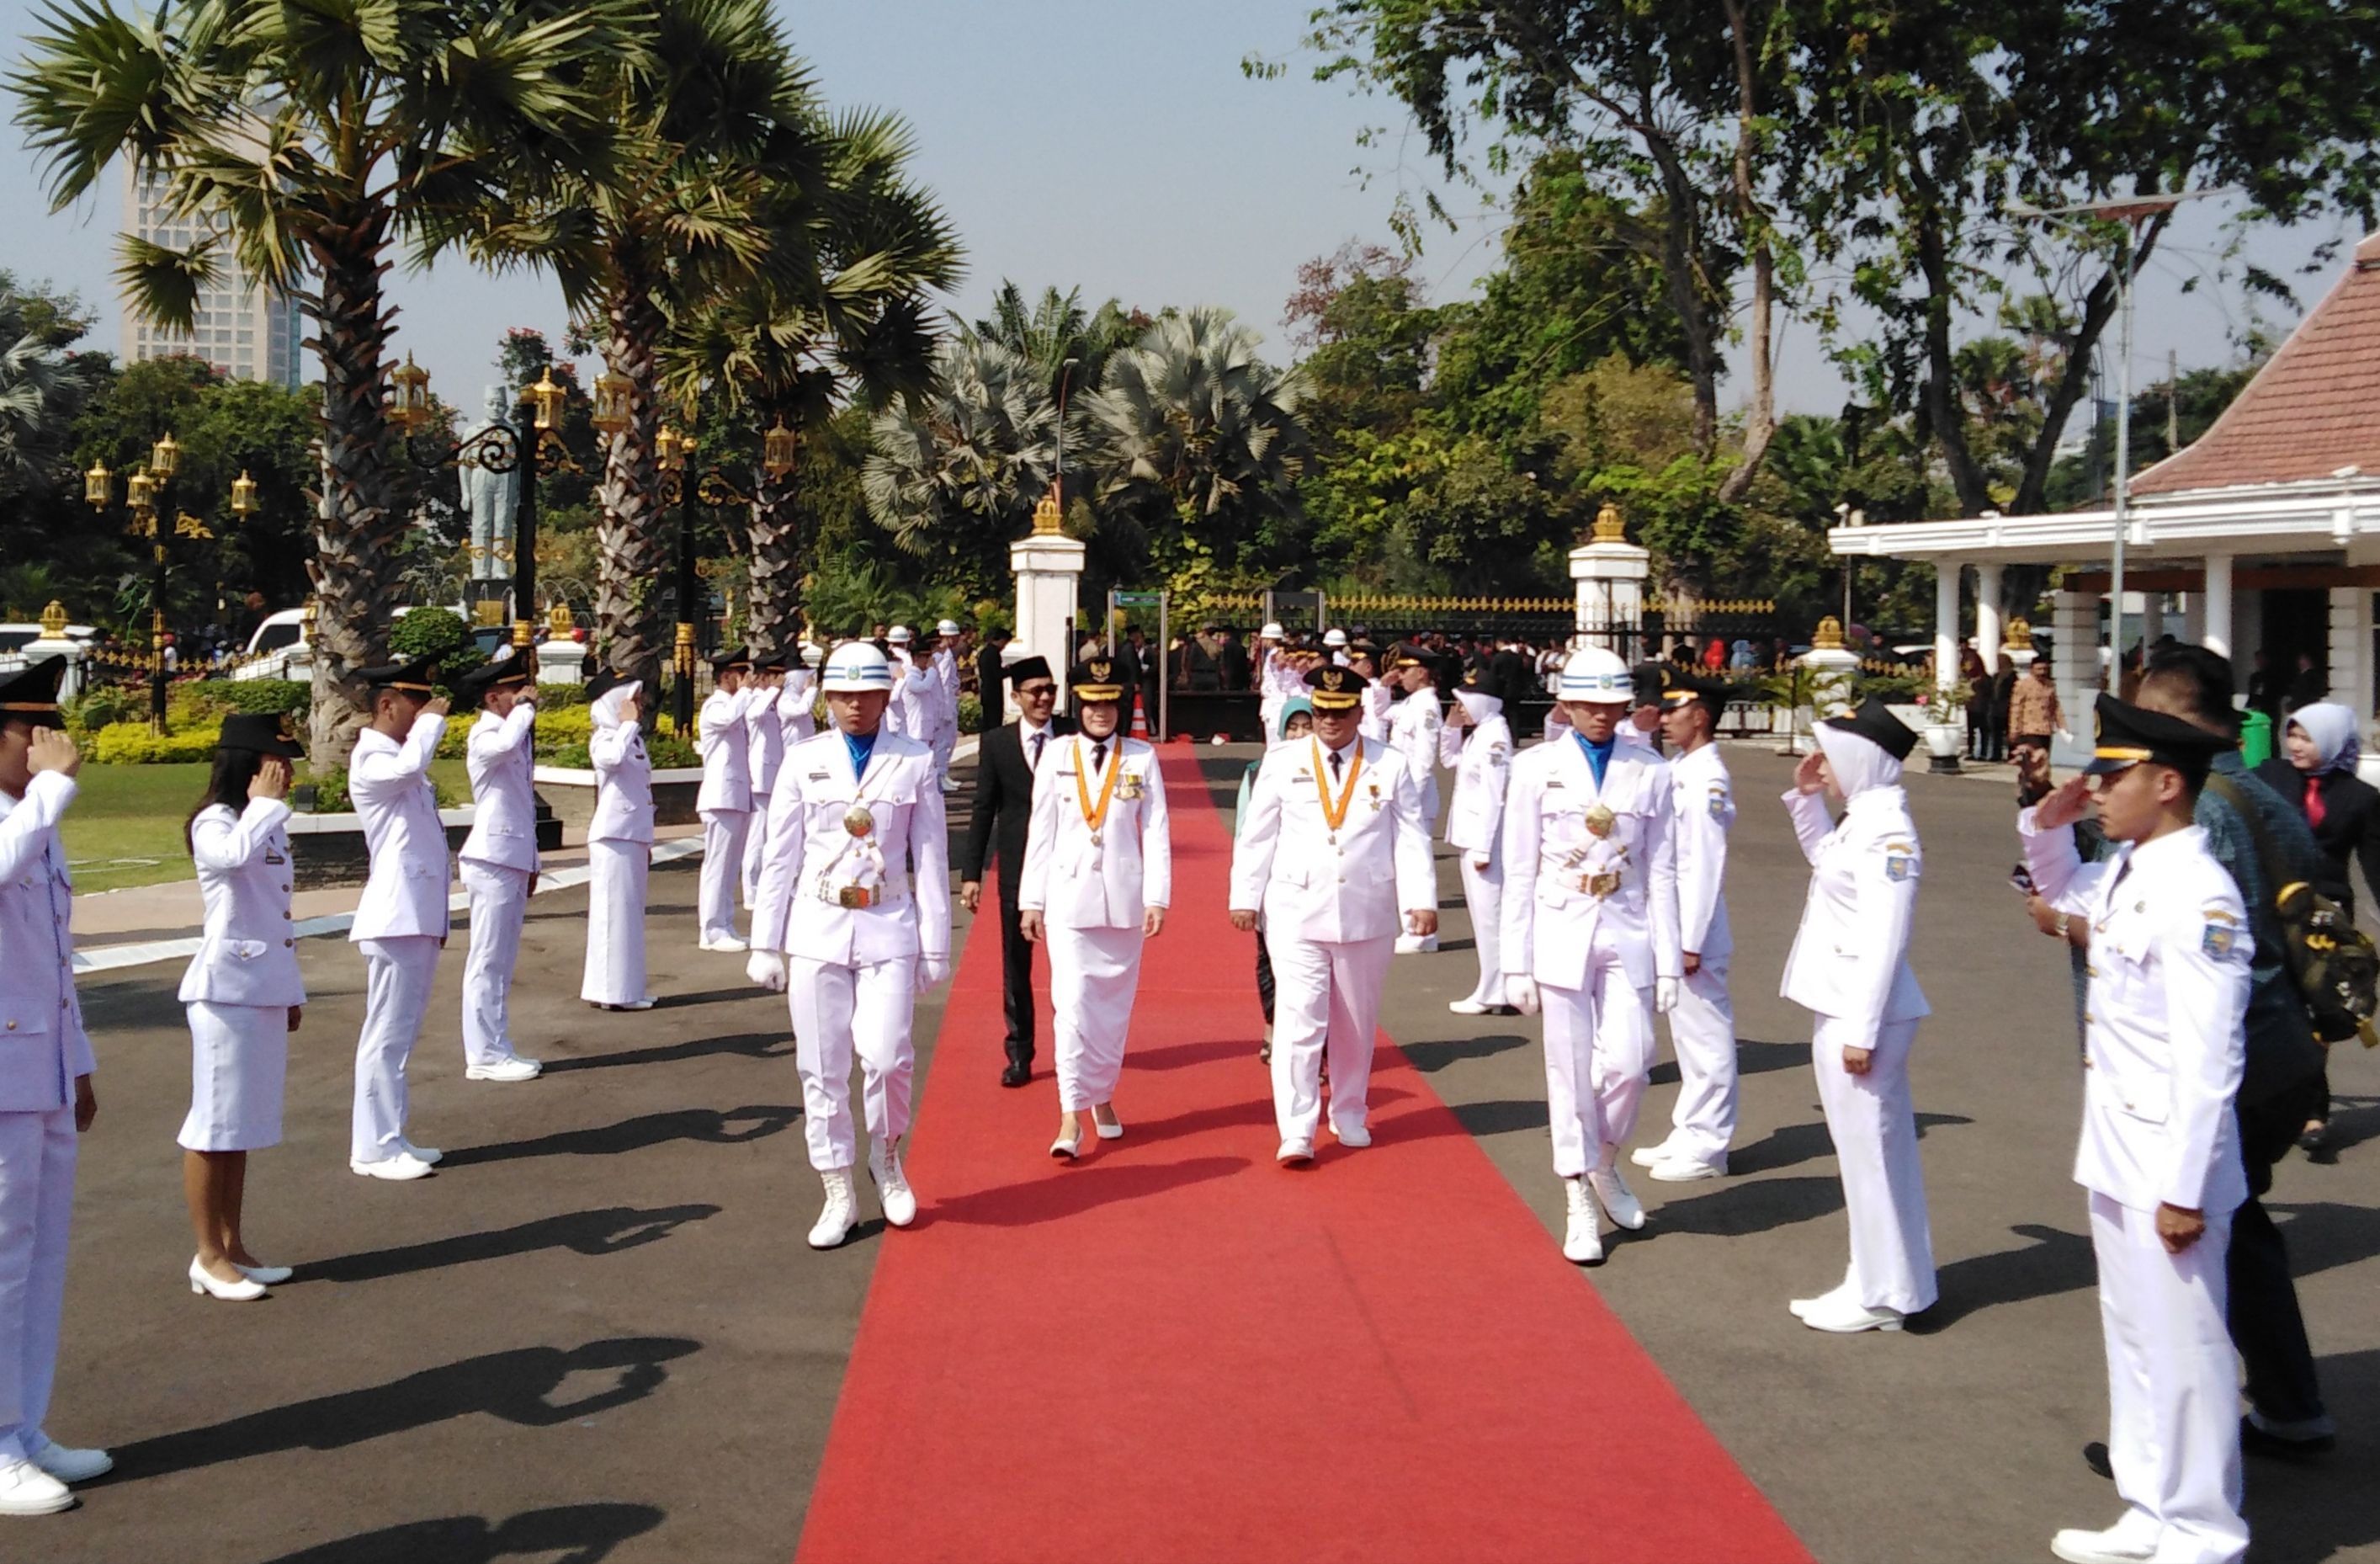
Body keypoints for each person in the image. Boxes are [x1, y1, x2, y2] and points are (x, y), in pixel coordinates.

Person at [2021, 695, 2251, 1564]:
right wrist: (2045, 822)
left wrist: (2183, 1187)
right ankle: (2148, 1506)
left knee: (2185, 1346)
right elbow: (2051, 898)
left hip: (2167, 1157)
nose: (2097, 791)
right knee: (2131, 1333)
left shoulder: (2197, 893)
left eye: (2110, 777)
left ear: (2164, 782)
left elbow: (2209, 1057)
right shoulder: (2126, 868)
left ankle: (2202, 1526)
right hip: (2116, 1140)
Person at [2133, 646, 2333, 1458]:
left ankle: (2184, 1445)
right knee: (2238, 1229)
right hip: (2287, 1051)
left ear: (2175, 719)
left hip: (2231, 1056)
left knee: (2187, 1245)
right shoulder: (2263, 791)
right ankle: (2288, 1405)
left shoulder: (2198, 806)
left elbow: (2156, 936)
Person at [746, 641, 952, 1249]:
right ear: (825, 699)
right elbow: (778, 855)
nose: (854, 707)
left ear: (885, 696)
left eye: (865, 695)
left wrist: (935, 945)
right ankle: (836, 1184)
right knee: (821, 1066)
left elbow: (932, 858)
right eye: (842, 695)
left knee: (889, 1057)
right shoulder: (802, 760)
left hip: (888, 922)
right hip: (817, 924)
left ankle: (886, 1158)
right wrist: (766, 941)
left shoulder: (912, 760)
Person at [1500, 647, 1682, 1266]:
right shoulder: (1534, 769)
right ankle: (1575, 1189)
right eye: (1588, 705)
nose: (1601, 716)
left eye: (1612, 706)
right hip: (1559, 929)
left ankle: (1604, 1162)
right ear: (1566, 704)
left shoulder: (1650, 768)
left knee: (1634, 1062)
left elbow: (1663, 870)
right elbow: (1518, 868)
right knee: (1569, 1071)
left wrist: (1667, 960)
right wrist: (1513, 964)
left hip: (1627, 930)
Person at [1230, 664, 1436, 1164]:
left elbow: (1411, 835)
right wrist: (1244, 896)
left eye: (1339, 713)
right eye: (1321, 711)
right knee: (1300, 1019)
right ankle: (1296, 1129)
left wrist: (1421, 899)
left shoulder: (1389, 763)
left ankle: (1348, 1112)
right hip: (1296, 908)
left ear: (1358, 712)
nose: (1328, 721)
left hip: (1365, 909)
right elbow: (1258, 834)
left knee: (1355, 1023)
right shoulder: (1283, 760)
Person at [1779, 696, 1936, 1331]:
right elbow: (1829, 866)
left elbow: (1886, 933)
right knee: (1867, 1152)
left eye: (1836, 758)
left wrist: (1863, 1029)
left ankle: (1881, 1294)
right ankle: (1887, 1282)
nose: (1826, 765)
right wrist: (1807, 801)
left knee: (1871, 1153)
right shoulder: (1864, 819)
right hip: (1844, 1003)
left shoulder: (1889, 831)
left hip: (1861, 1011)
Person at [0, 661, 109, 1513]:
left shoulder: (32, 821)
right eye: (26, 731)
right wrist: (47, 796)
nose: (44, 747)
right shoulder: (27, 819)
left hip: (37, 1067)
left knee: (38, 1258)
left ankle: (22, 1424)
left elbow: (54, 963)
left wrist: (76, 1062)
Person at [1019, 657, 1171, 1158]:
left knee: (1111, 1011)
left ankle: (1102, 1097)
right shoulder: (1058, 754)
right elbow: (1039, 833)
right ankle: (1069, 1116)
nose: (1100, 711)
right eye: (1092, 702)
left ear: (1120, 704)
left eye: (1109, 702)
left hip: (1123, 902)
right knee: (1072, 1005)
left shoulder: (1141, 757)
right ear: (1078, 703)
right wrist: (1032, 901)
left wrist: (1157, 896)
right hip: (1067, 900)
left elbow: (1156, 830)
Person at [178, 712, 308, 1301]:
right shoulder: (217, 821)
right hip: (223, 991)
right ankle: (206, 1255)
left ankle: (232, 1244)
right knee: (213, 1126)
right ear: (248, 765)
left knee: (243, 1125)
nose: (284, 775)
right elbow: (230, 860)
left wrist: (289, 990)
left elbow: (276, 914)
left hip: (260, 988)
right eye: (275, 762)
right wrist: (262, 808)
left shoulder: (266, 823)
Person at [2253, 700, 2380, 1160]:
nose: (2296, 746)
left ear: (2330, 740)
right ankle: (2285, 1101)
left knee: (2318, 1011)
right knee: (2274, 1005)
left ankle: (2313, 1111)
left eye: (2307, 737)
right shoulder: (2269, 777)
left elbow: (2374, 866)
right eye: (2292, 735)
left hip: (2325, 919)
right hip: (2271, 908)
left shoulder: (2361, 798)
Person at [346, 656, 451, 1183]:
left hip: (415, 914)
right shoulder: (372, 760)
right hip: (395, 916)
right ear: (387, 705)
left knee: (400, 1035)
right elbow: (410, 766)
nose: (424, 715)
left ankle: (391, 1134)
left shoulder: (400, 760)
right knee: (385, 1035)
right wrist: (434, 722)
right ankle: (374, 1147)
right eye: (416, 705)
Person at [1635, 676, 1739, 1182]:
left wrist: (1691, 939)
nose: (1666, 718)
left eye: (1675, 711)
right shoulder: (1680, 767)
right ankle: (1690, 1128)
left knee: (1707, 1038)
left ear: (1700, 716)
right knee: (1687, 1037)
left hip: (1693, 929)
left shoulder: (1707, 780)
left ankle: (1710, 1144)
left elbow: (1704, 864)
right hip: (1673, 922)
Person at [959, 657, 1071, 1088]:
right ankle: (1020, 1051)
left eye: (1050, 690)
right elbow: (984, 808)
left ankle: (1073, 1049)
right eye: (1035, 691)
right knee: (1016, 966)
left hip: (1066, 866)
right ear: (1016, 697)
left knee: (1069, 963)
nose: (1044, 698)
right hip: (1017, 866)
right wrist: (972, 872)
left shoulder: (1072, 736)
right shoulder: (998, 743)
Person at [454, 657, 542, 1083]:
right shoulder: (485, 735)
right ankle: (483, 1052)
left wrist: (533, 861)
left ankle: (496, 1045)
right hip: (490, 858)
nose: (527, 698)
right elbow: (506, 746)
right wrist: (525, 709)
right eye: (516, 692)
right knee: (487, 961)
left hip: (510, 855)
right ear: (494, 698)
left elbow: (524, 804)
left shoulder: (513, 736)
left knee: (501, 962)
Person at [1237, 699, 1313, 1061]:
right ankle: (1273, 1026)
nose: (1299, 734)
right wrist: (1246, 894)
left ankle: (1313, 1049)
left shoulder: (1332, 770)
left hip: (1315, 888)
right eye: (1292, 727)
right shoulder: (1258, 771)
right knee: (1270, 963)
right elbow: (1246, 834)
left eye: (1306, 726)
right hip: (1273, 887)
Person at [1441, 668, 1514, 1017]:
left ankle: (1495, 990)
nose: (1461, 707)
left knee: (1491, 917)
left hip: (1484, 840)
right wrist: (1452, 728)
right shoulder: (1480, 734)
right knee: (1484, 917)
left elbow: (1494, 795)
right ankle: (1494, 985)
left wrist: (1484, 846)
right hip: (1471, 836)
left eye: (1465, 703)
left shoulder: (1495, 737)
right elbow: (1450, 761)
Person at [582, 673, 654, 1012]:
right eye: (632, 700)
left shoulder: (632, 739)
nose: (639, 707)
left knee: (627, 914)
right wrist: (627, 725)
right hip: (613, 835)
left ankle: (623, 988)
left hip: (631, 833)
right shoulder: (606, 737)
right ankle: (612, 993)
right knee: (613, 916)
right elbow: (609, 760)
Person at [1384, 646, 1444, 956]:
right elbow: (1379, 714)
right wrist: (1381, 685)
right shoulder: (1411, 702)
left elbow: (1424, 756)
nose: (1401, 675)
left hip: (1414, 796)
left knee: (1414, 861)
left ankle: (1419, 932)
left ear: (1422, 672)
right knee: (1402, 860)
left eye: (1406, 670)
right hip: (1404, 793)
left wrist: (1412, 799)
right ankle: (1412, 927)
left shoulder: (1427, 706)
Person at [695, 649, 755, 953]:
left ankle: (726, 924)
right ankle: (711, 930)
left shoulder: (735, 705)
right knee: (717, 866)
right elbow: (728, 718)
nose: (745, 680)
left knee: (730, 867)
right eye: (740, 674)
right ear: (727, 676)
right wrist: (745, 693)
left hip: (736, 796)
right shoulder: (715, 705)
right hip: (720, 797)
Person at [740, 656, 789, 909]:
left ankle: (766, 886)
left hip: (772, 774)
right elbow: (755, 714)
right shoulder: (756, 700)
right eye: (774, 677)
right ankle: (752, 889)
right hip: (759, 775)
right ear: (763, 678)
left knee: (770, 835)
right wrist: (773, 690)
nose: (779, 682)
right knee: (756, 837)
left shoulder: (770, 703)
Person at [927, 620, 964, 794]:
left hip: (947, 700)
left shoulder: (946, 654)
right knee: (942, 741)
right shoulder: (941, 656)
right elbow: (941, 682)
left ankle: (944, 773)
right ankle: (940, 775)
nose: (957, 639)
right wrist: (944, 707)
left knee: (949, 740)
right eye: (955, 636)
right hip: (943, 703)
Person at [2010, 657, 2064, 751]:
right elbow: (2016, 709)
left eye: (2045, 669)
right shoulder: (2022, 685)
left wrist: (2062, 726)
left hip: (2046, 729)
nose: (2042, 672)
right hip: (2029, 729)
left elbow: (2055, 707)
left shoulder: (2050, 685)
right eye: (2039, 669)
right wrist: (2014, 730)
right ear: (2032, 669)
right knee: (2034, 759)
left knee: (2044, 759)